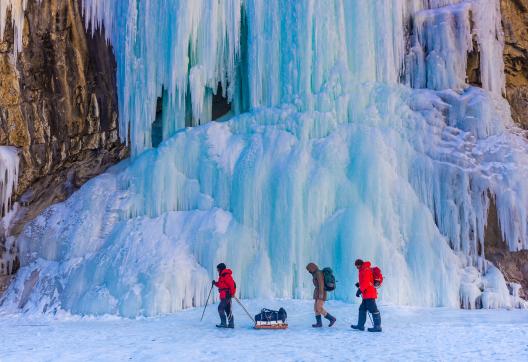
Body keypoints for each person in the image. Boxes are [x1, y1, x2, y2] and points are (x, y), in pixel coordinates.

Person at [351, 259, 382, 332]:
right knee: (362, 309)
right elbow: (366, 281)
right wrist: (359, 284)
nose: (356, 267)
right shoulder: (363, 270)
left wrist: (359, 290)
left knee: (373, 309)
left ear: (360, 264)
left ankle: (377, 326)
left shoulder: (366, 270)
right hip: (366, 294)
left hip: (369, 294)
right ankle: (360, 325)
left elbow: (367, 282)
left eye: (357, 266)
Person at [306, 262, 336, 328]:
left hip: (321, 293)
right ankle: (319, 323)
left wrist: (321, 294)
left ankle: (332, 319)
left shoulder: (318, 273)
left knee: (319, 308)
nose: (309, 271)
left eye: (309, 269)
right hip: (318, 292)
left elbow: (321, 284)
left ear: (312, 267)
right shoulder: (315, 273)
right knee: (315, 308)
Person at [212, 263, 236, 328]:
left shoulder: (226, 275)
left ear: (221, 268)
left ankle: (223, 323)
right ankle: (231, 324)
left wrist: (232, 293)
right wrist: (215, 283)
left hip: (227, 295)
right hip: (223, 295)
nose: (217, 270)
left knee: (220, 308)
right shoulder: (222, 276)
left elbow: (232, 285)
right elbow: (221, 285)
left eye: (218, 269)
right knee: (227, 310)